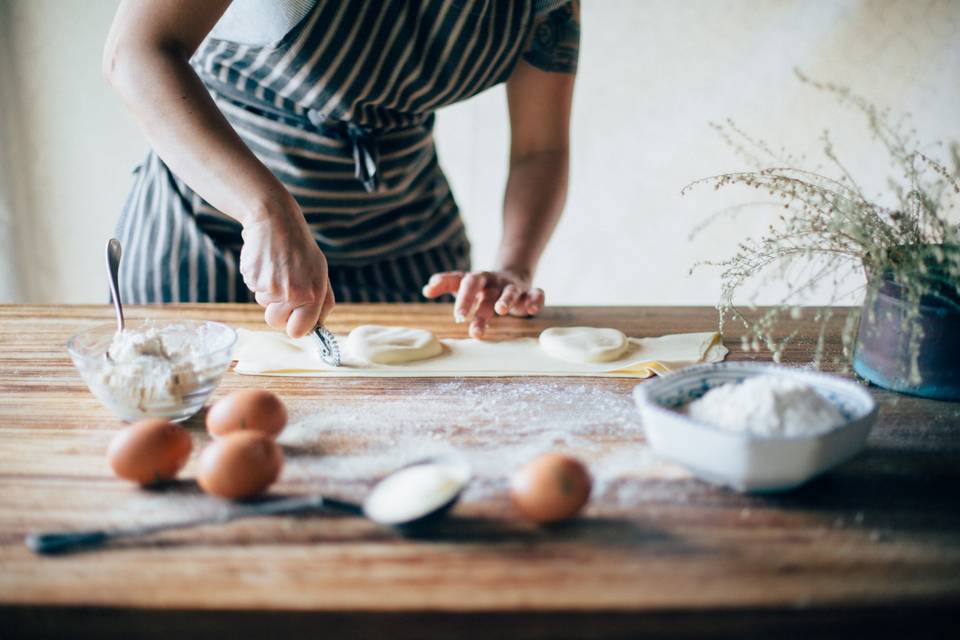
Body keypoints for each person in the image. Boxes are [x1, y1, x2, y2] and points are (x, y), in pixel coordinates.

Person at [104, 0, 579, 339]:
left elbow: (540, 150)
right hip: (211, 226)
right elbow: (137, 53)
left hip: (403, 236)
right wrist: (265, 210)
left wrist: (512, 266)